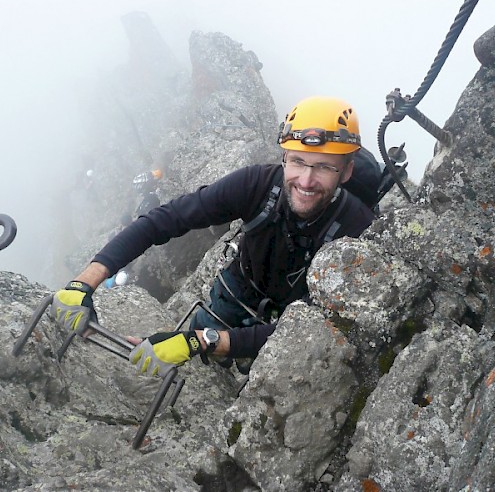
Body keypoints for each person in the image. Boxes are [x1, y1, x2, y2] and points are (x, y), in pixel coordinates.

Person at [51, 96, 375, 377]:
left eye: (324, 167)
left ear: (346, 172)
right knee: (197, 363)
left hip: (293, 319)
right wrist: (86, 280)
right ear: (284, 158)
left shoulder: (358, 230)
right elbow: (165, 220)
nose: (306, 180)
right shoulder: (258, 185)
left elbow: (313, 326)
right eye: (298, 162)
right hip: (235, 292)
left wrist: (202, 341)